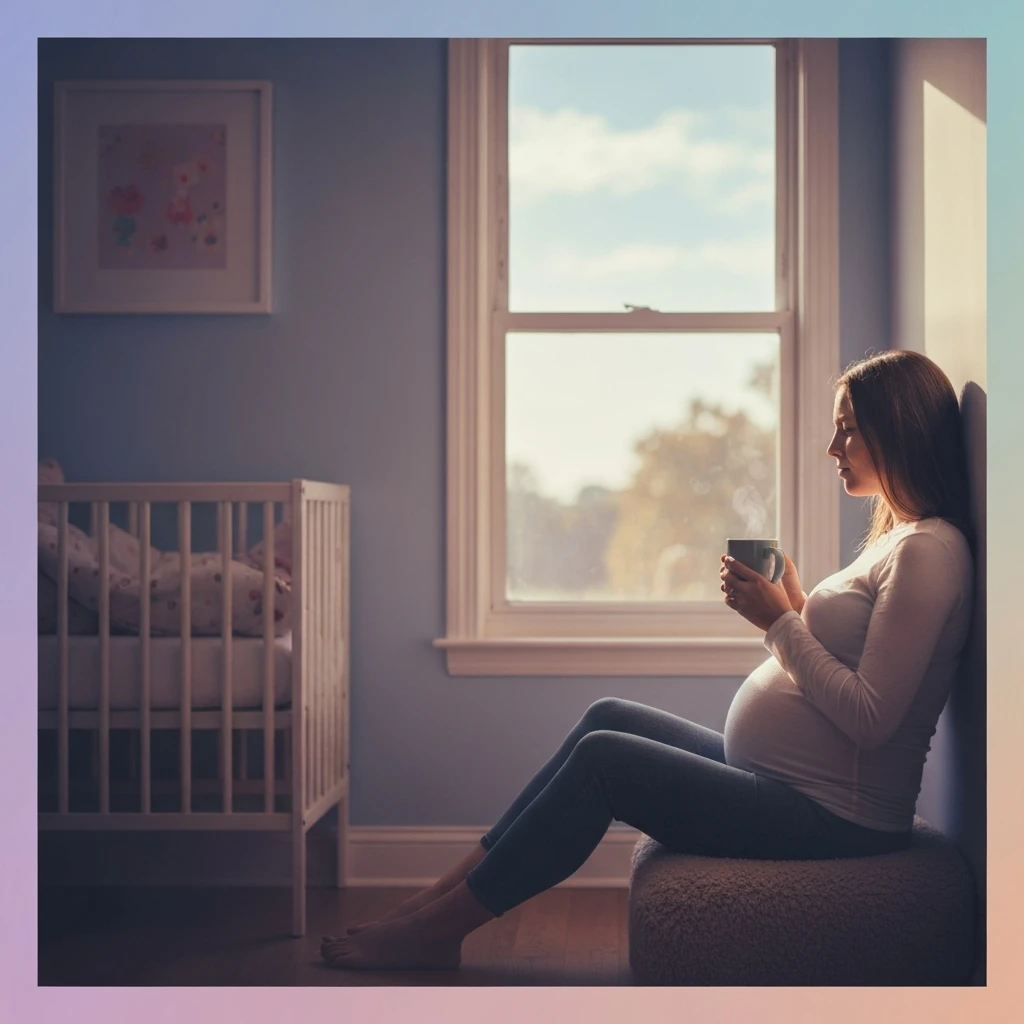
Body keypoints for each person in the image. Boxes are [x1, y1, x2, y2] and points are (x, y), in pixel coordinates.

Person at [321, 349, 976, 972]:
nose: (834, 449)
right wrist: (795, 602)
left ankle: (437, 932)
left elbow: (870, 718)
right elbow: (844, 655)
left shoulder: (930, 553)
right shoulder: (899, 539)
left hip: (839, 818)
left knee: (605, 762)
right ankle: (436, 898)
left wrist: (776, 620)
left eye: (850, 432)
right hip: (799, 785)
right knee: (608, 715)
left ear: (899, 431)